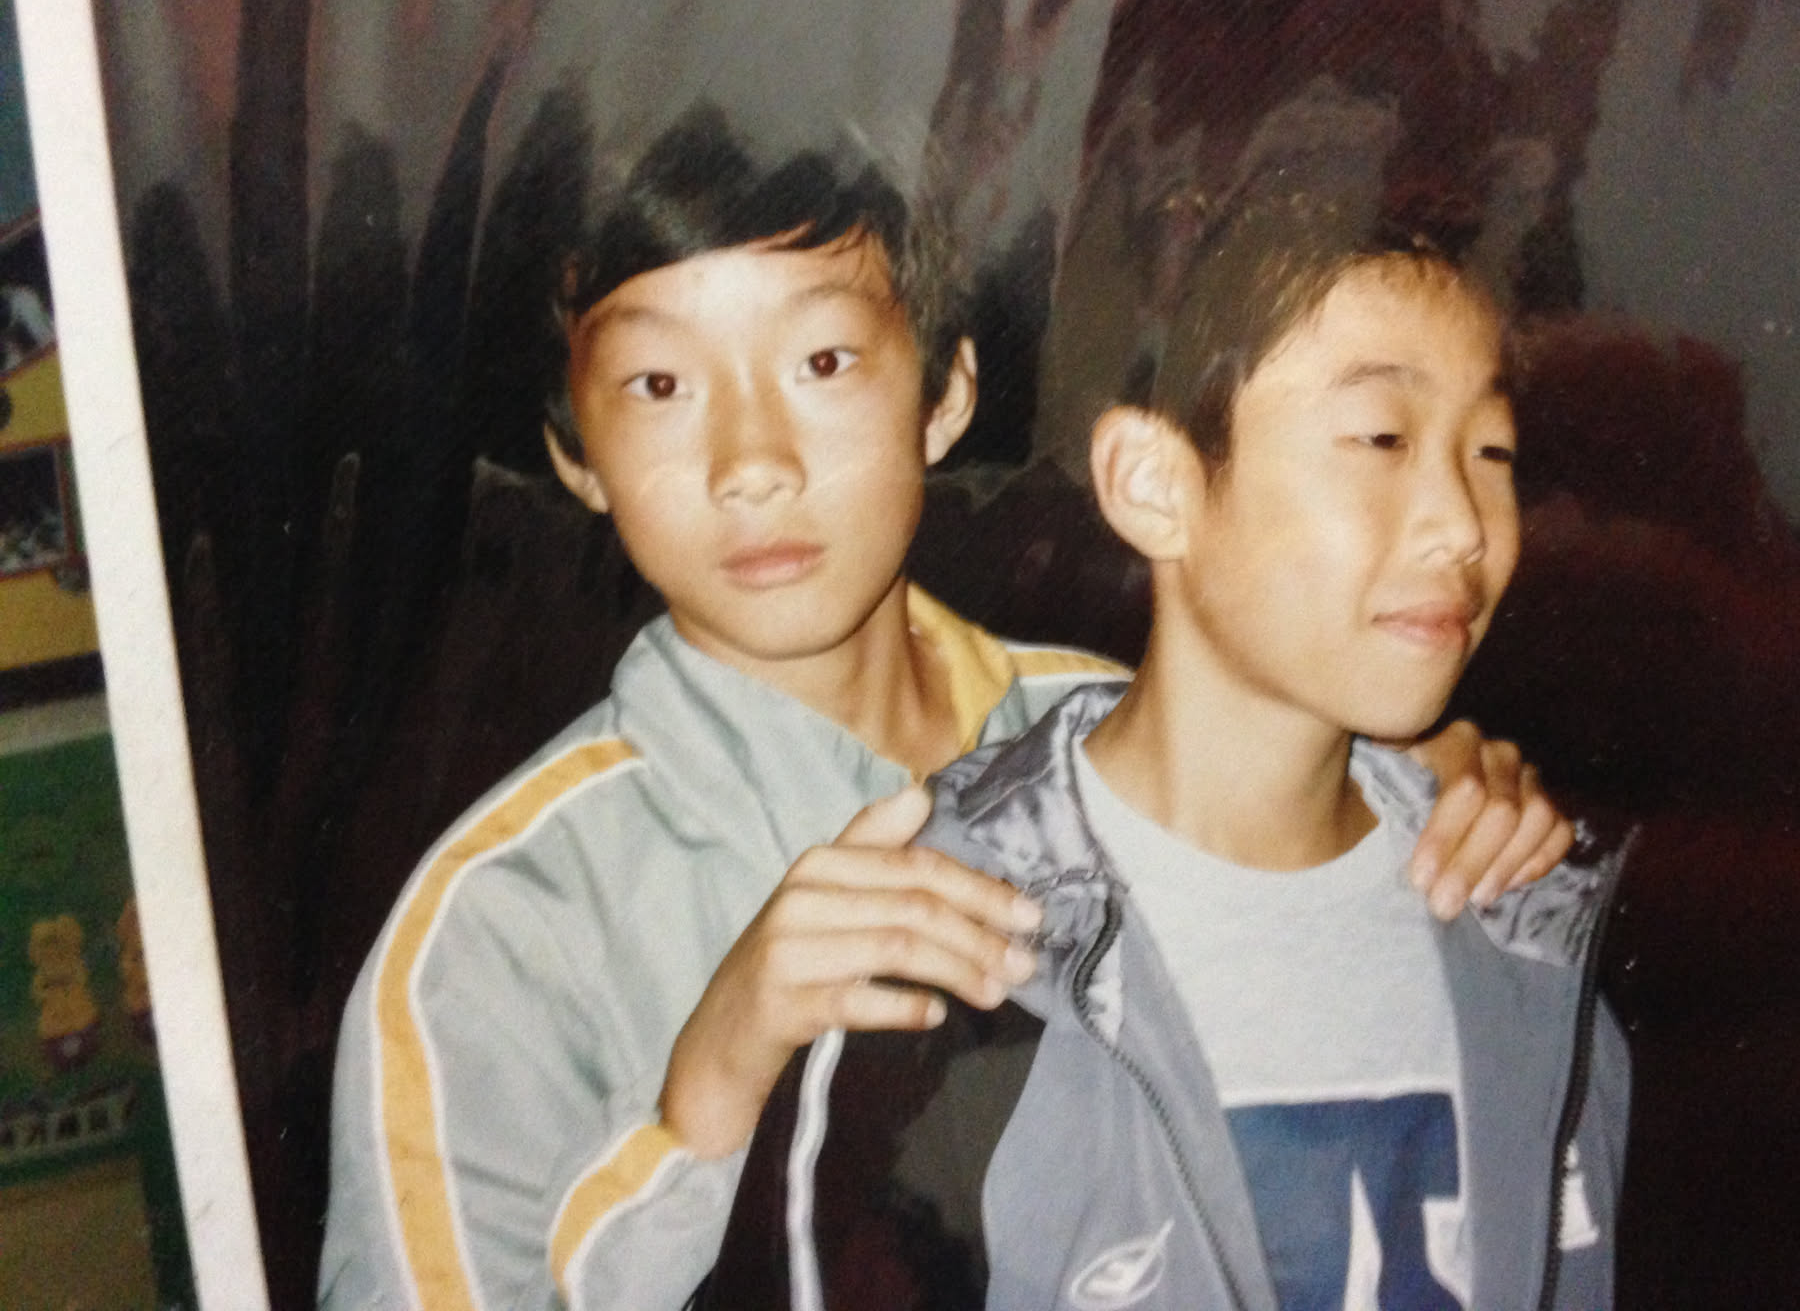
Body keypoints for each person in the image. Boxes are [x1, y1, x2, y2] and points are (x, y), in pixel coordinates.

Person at [318, 111, 1577, 1311]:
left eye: (823, 362)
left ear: (946, 393)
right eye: (658, 384)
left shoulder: (1113, 730)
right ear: (574, 453)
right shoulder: (502, 920)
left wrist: (1412, 788)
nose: (752, 462)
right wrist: (707, 1103)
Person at [704, 177, 1630, 1310]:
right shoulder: (953, 949)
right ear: (1154, 485)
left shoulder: (1526, 934)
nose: (1461, 525)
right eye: (1382, 437)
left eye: (1492, 452)